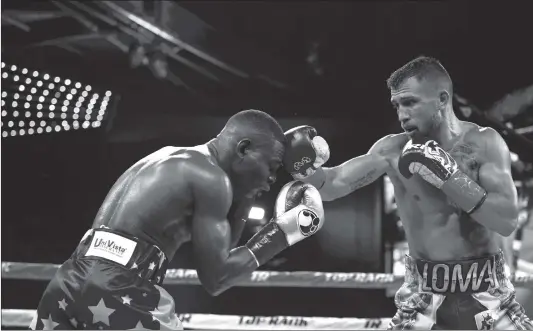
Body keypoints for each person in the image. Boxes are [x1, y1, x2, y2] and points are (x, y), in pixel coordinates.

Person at [283, 56, 533, 329]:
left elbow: (506, 221)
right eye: (397, 105)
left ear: (442, 99)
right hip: (423, 297)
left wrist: (450, 178)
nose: (402, 115)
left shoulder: (484, 143)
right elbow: (332, 185)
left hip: (488, 293)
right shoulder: (392, 150)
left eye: (411, 102)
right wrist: (302, 166)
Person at [31, 109, 325, 330]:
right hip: (121, 288)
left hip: (68, 281)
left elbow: (219, 254)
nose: (273, 179)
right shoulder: (211, 179)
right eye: (271, 167)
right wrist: (287, 230)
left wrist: (248, 194)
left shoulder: (171, 157)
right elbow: (216, 278)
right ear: (244, 149)